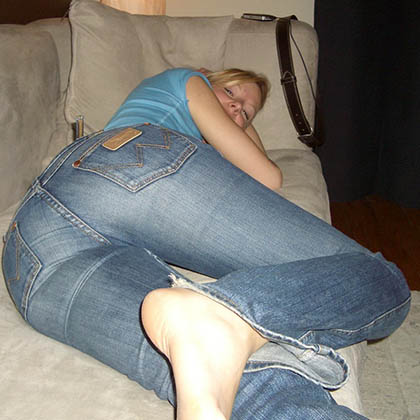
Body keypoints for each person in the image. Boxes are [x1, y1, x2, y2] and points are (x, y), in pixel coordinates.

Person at [2, 67, 410, 420]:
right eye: (231, 91)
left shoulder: (208, 110)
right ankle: (232, 314)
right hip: (127, 162)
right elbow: (267, 177)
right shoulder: (188, 80)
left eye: (246, 111)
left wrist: (235, 122)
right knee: (381, 280)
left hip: (31, 251)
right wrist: (232, 118)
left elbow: (253, 167)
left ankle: (217, 327)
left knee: (236, 374)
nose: (236, 107)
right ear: (209, 77)